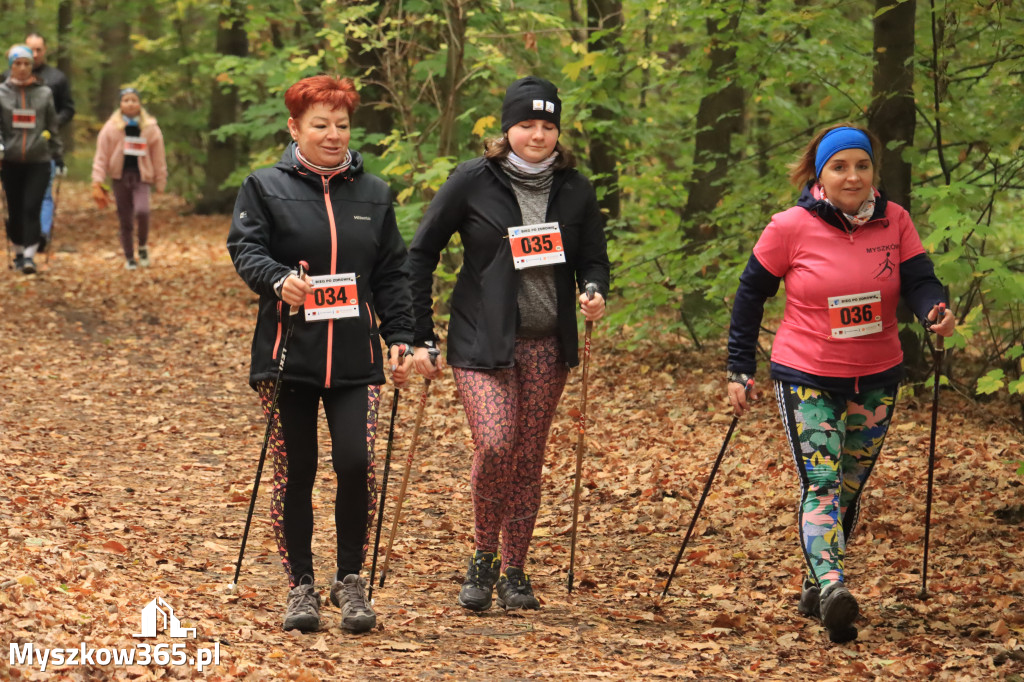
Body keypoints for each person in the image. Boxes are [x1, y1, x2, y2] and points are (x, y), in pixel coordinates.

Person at [726, 124, 956, 643]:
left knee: (849, 488)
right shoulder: (789, 227)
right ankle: (833, 588)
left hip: (876, 376)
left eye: (861, 165)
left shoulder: (895, 220)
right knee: (823, 482)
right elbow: (749, 297)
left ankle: (814, 583)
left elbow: (920, 281)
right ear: (820, 174)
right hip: (807, 373)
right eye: (839, 167)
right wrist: (739, 367)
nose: (852, 176)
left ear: (873, 171)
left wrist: (933, 311)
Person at [406, 76, 610, 613]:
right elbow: (421, 252)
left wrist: (594, 290)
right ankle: (482, 556)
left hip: (547, 342)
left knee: (528, 456)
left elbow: (593, 257)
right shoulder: (474, 179)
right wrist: (419, 331)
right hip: (481, 340)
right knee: (496, 444)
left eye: (547, 126)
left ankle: (514, 570)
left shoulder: (575, 188)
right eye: (526, 125)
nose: (537, 135)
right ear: (507, 128)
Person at [226, 75, 414, 634]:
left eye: (342, 125)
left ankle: (350, 581)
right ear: (295, 127)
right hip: (289, 357)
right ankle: (300, 586)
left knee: (356, 463)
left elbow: (392, 273)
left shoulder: (374, 194)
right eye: (320, 125)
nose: (333, 135)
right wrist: (278, 279)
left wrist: (401, 334)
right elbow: (246, 248)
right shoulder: (263, 186)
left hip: (356, 360)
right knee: (298, 470)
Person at [0, 45, 62, 275]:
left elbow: (52, 126)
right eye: (18, 64)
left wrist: (59, 155)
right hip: (11, 161)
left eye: (27, 63)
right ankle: (17, 251)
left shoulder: (44, 93)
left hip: (39, 160)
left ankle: (29, 257)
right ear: (11, 67)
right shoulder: (1, 93)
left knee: (31, 207)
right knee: (15, 210)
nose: (23, 68)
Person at [91, 87, 168, 269]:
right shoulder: (111, 128)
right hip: (120, 177)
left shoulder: (150, 128)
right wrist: (97, 180)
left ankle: (142, 246)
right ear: (120, 104)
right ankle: (129, 257)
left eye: (134, 100)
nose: (130, 103)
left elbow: (158, 156)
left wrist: (160, 180)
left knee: (143, 211)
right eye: (126, 100)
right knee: (125, 218)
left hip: (142, 177)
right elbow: (101, 156)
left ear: (140, 104)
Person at [25, 33, 74, 253]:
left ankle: (42, 235)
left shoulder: (57, 78)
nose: (34, 55)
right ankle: (26, 234)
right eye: (30, 50)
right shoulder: (7, 77)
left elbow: (69, 109)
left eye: (38, 50)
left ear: (45, 50)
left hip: (46, 146)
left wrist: (52, 124)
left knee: (44, 193)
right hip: (18, 146)